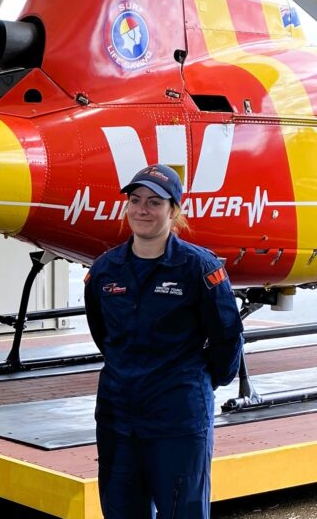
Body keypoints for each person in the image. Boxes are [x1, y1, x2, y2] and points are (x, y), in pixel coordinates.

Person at [83, 164, 244, 519]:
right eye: (135, 200)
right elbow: (102, 334)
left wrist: (194, 381)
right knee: (120, 511)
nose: (143, 210)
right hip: (117, 417)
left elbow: (227, 338)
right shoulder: (105, 271)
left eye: (155, 203)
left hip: (178, 419)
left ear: (174, 211)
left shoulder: (199, 269)